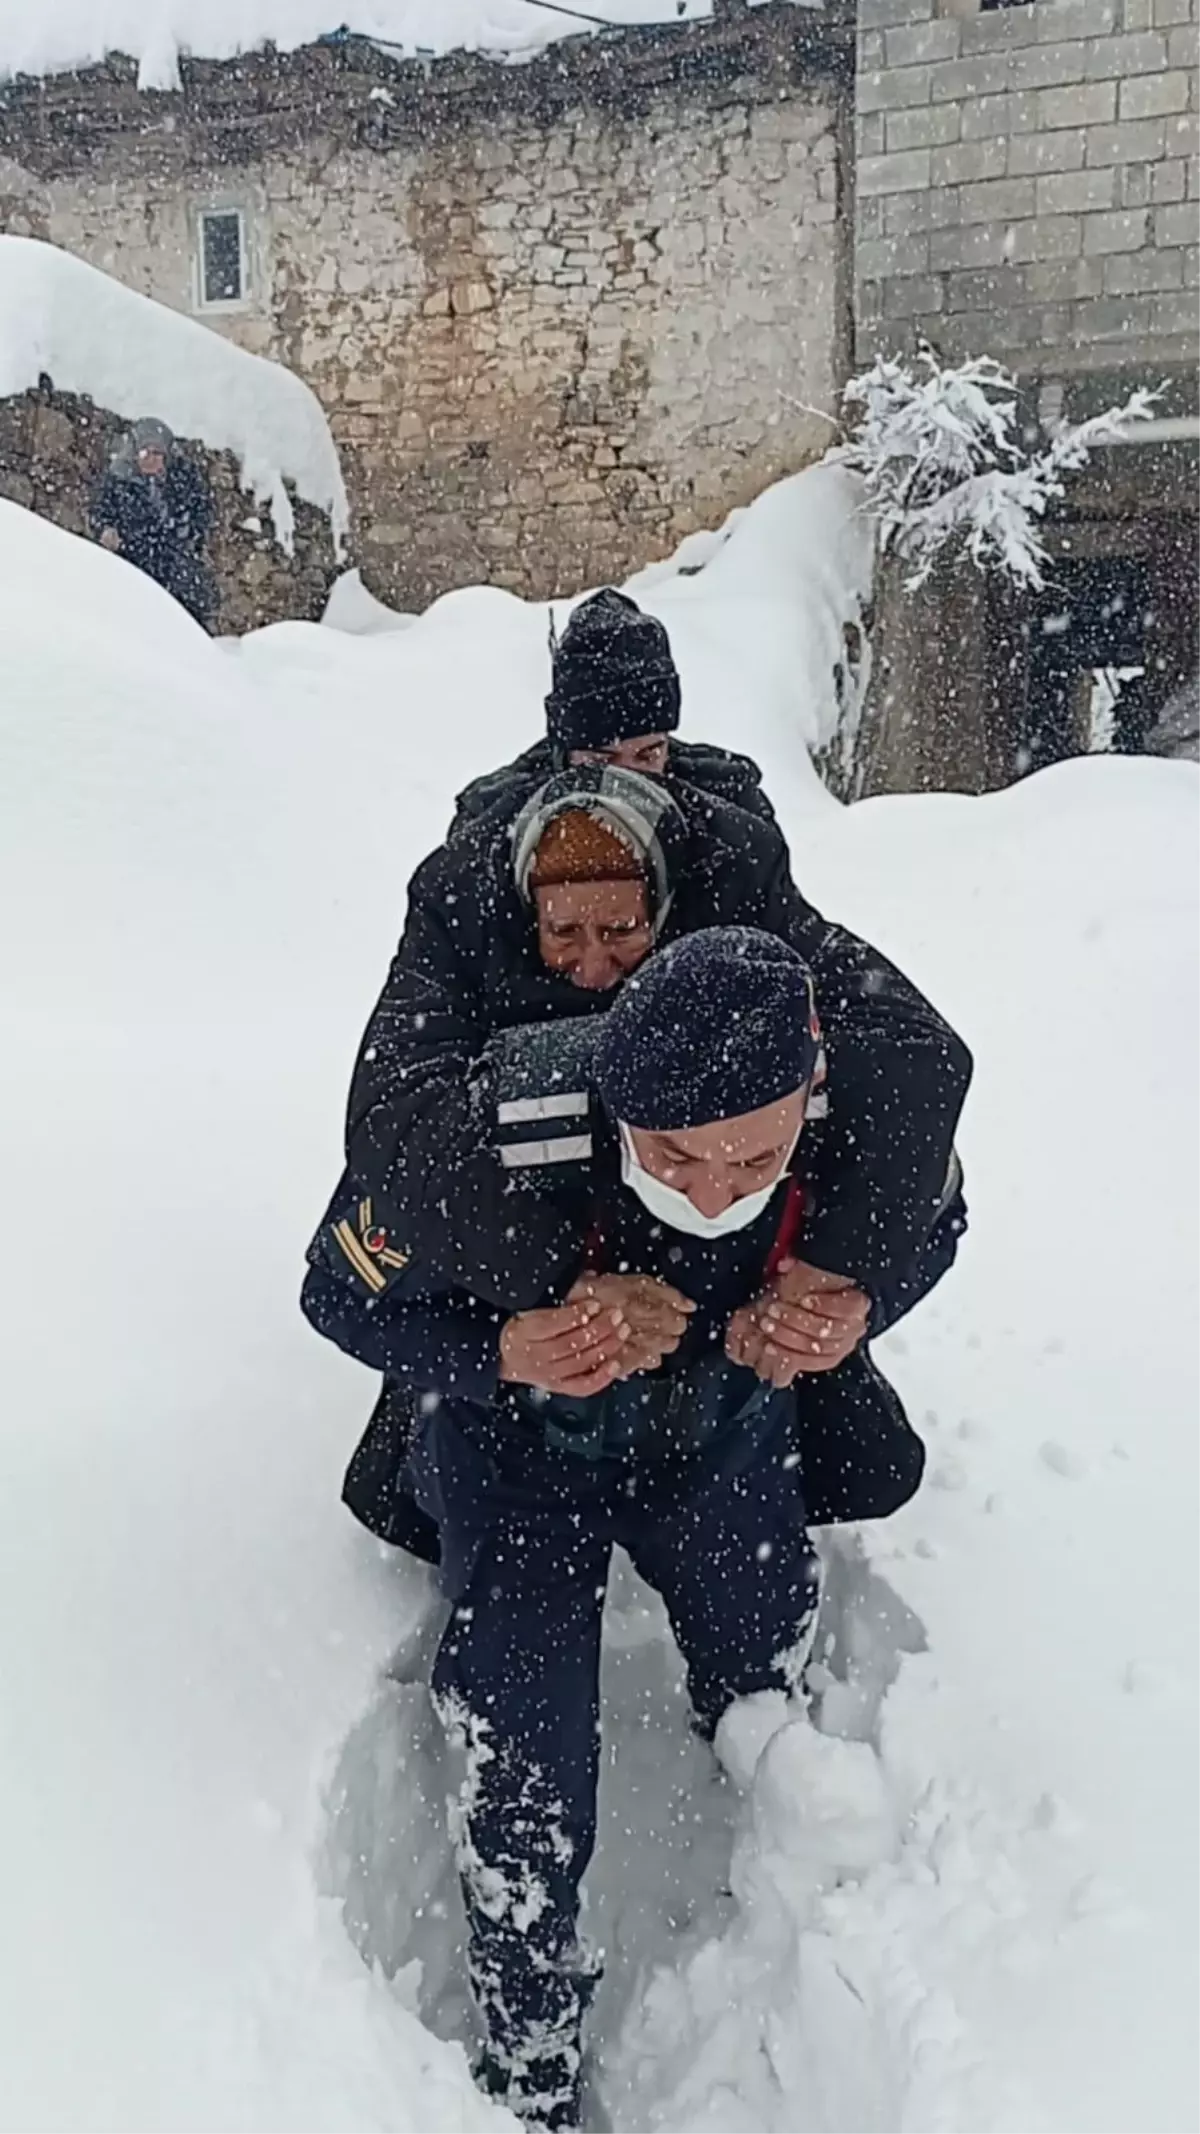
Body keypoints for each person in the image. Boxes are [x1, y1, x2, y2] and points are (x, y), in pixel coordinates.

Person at [301, 928, 970, 2133]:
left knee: (766, 1661)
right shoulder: (510, 1116)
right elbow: (337, 1285)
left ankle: (762, 1907)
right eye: (674, 1156)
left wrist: (858, 1302)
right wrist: (498, 1347)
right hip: (519, 1467)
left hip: (718, 1443)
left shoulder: (853, 1126)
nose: (714, 1189)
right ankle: (532, 2059)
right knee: (525, 1758)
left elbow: (941, 1219)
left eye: (751, 1158)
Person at [335, 764, 966, 1556]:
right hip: (526, 1179)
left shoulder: (731, 872)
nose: (594, 967)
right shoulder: (463, 907)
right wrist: (542, 1293)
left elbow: (910, 1051)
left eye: (622, 932)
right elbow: (394, 1124)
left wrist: (839, 1275)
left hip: (720, 1383)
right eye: (563, 934)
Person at [450, 587, 775, 835]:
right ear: (566, 753)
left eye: (647, 756)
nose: (627, 783)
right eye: (601, 762)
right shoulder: (494, 825)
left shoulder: (729, 810)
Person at [91, 417, 216, 629]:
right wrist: (107, 530)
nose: (151, 458)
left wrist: (190, 538)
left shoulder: (182, 479)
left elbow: (200, 510)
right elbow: (100, 512)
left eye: (157, 453)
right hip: (133, 561)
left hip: (175, 564)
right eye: (145, 452)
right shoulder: (119, 481)